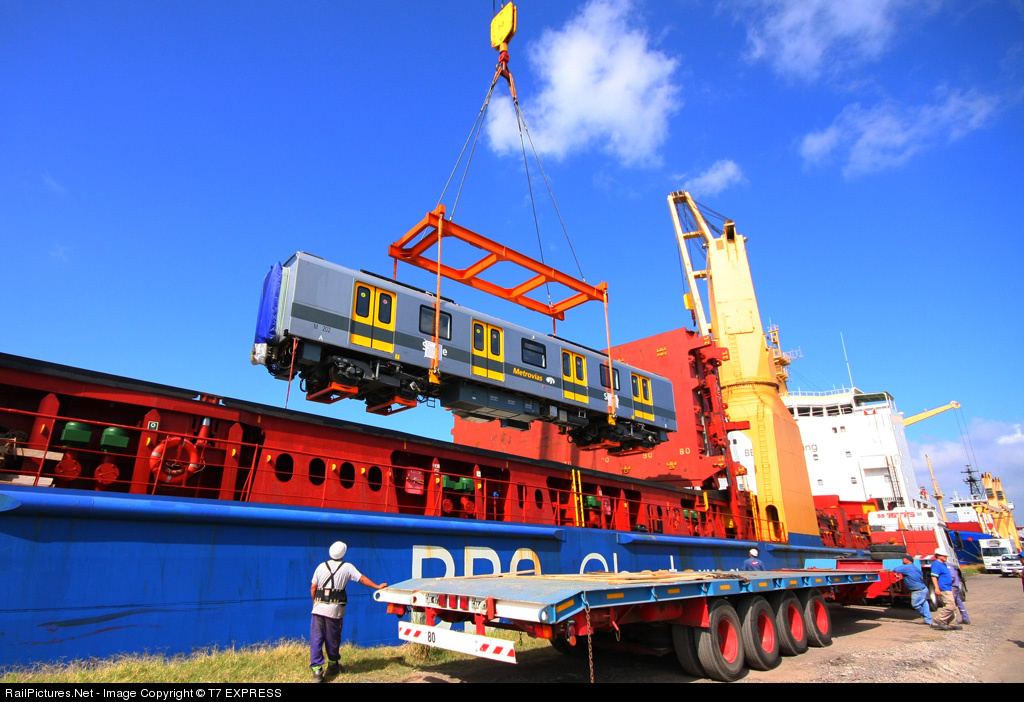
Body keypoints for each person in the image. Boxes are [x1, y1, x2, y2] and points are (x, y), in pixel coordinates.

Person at [310, 541, 387, 682]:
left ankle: (317, 671)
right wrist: (377, 586)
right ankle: (333, 665)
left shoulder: (321, 566)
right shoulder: (347, 567)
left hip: (318, 609)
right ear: (343, 553)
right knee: (333, 638)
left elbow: (313, 587)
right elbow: (362, 578)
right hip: (334, 610)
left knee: (316, 639)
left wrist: (315, 603)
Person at [892, 554, 932, 626]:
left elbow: (895, 569)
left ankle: (925, 616)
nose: (902, 560)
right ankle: (928, 620)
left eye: (903, 559)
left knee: (915, 604)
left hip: (917, 590)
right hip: (923, 588)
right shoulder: (915, 567)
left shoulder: (907, 567)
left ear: (907, 560)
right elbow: (921, 575)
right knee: (924, 604)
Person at [928, 548, 960, 631]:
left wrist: (951, 587)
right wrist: (936, 588)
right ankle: (940, 619)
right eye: (943, 555)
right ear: (938, 556)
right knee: (950, 606)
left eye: (946, 555)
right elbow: (934, 577)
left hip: (948, 588)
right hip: (943, 588)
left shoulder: (944, 564)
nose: (946, 557)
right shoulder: (936, 564)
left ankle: (952, 623)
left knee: (953, 607)